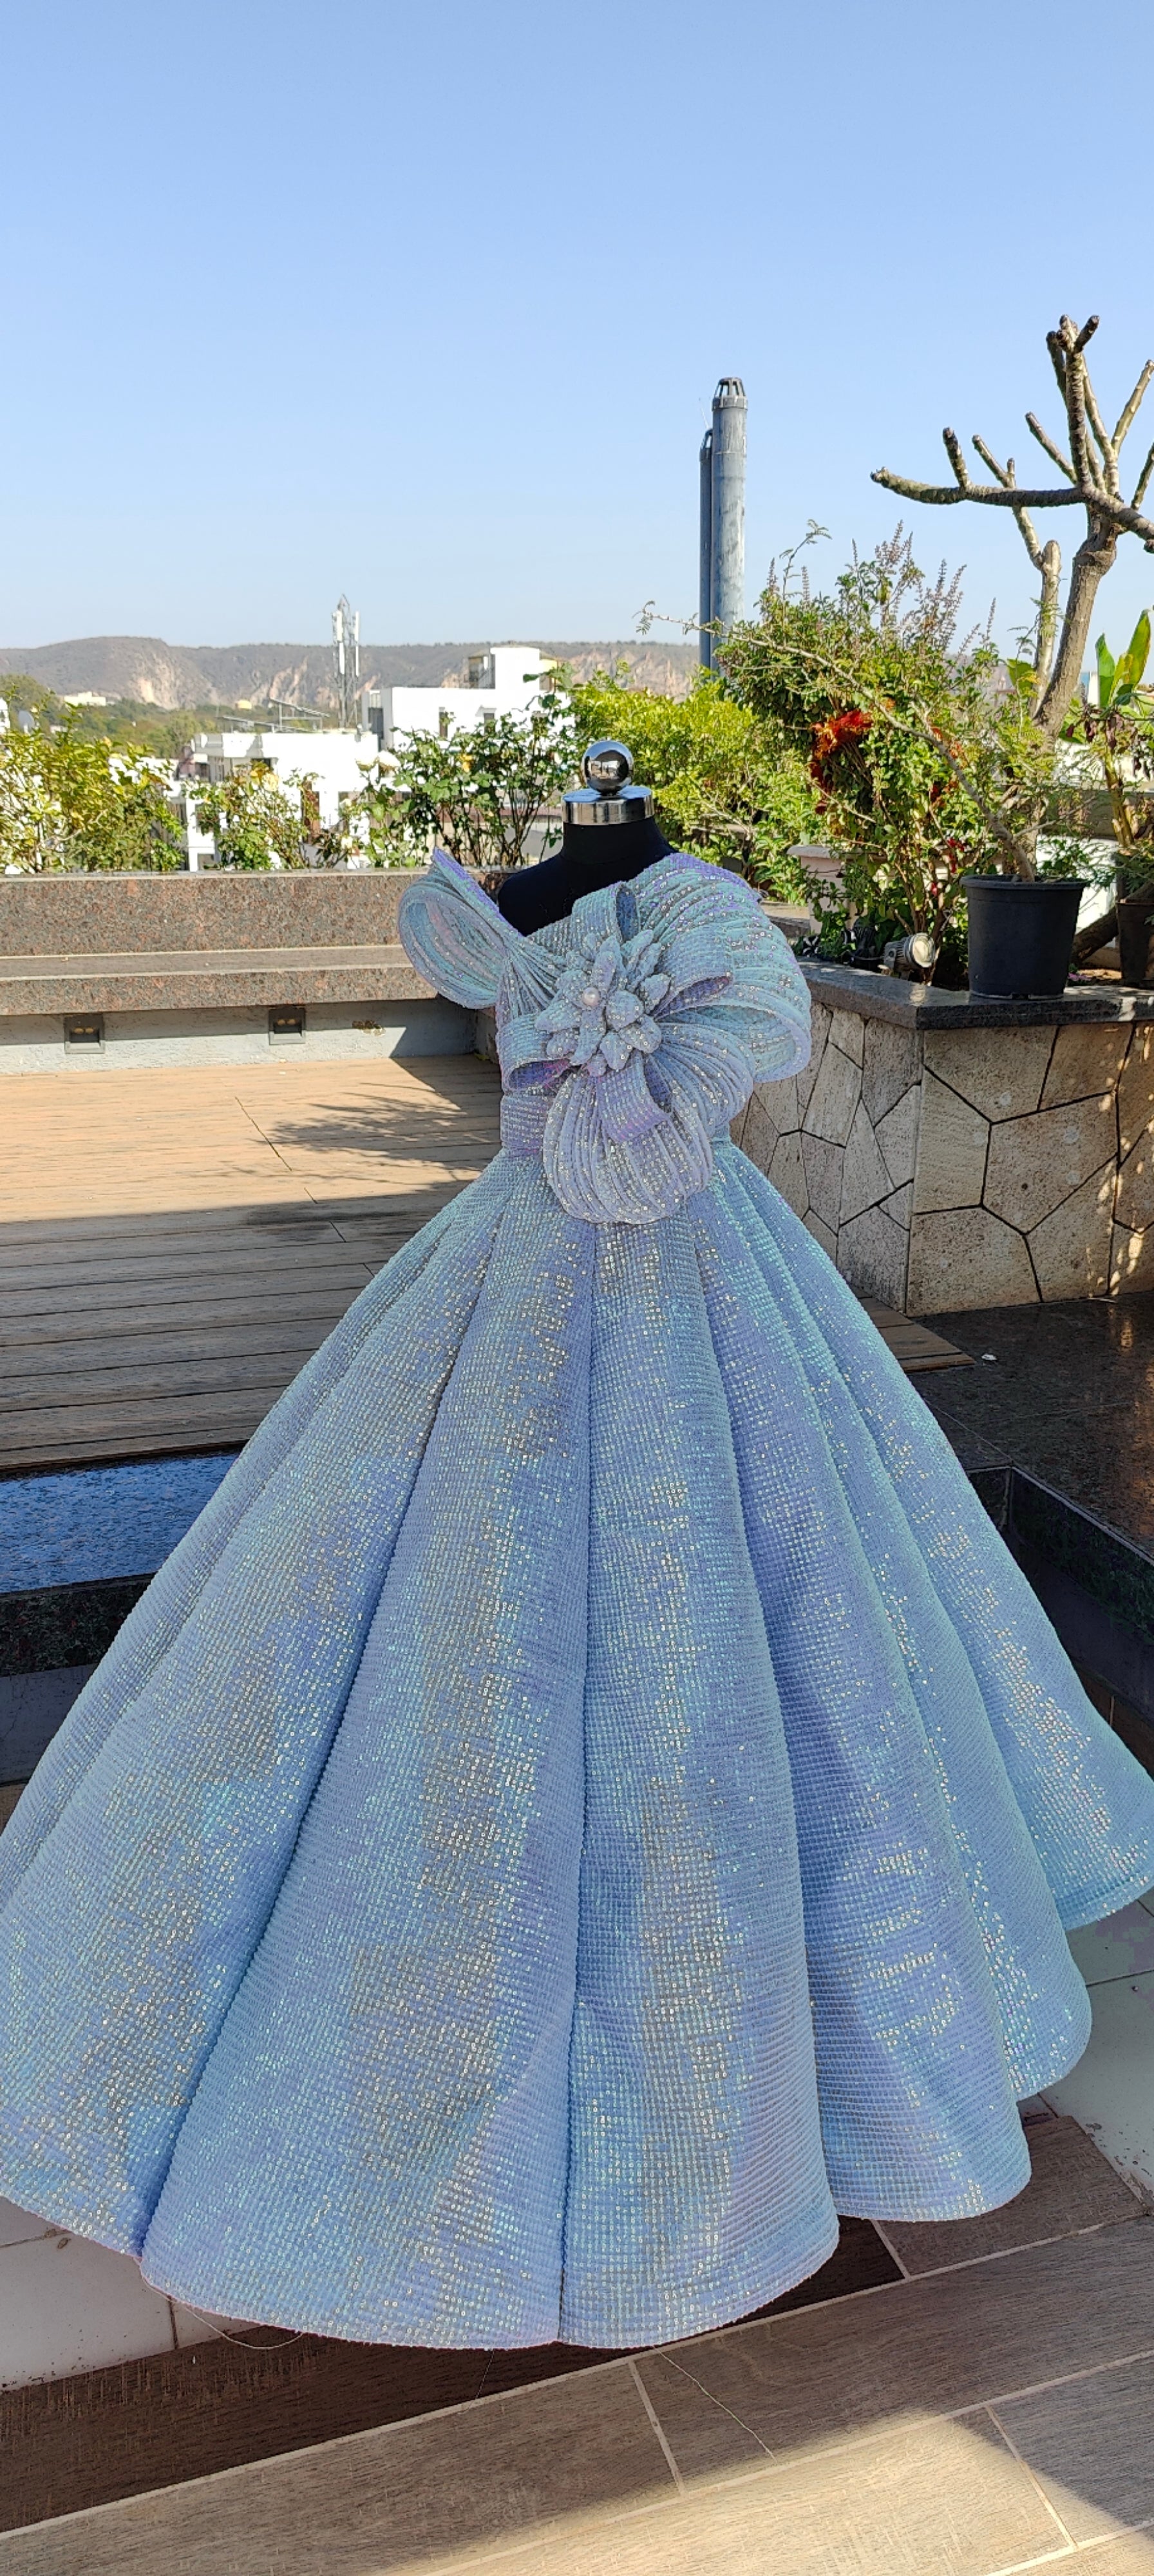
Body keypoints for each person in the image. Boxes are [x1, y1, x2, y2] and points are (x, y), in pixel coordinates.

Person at [1, 841, 1152, 2357]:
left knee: (783, 1656)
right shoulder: (515, 906)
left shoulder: (681, 919)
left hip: (695, 1284)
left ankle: (764, 2116)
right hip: (519, 1282)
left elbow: (708, 1078)